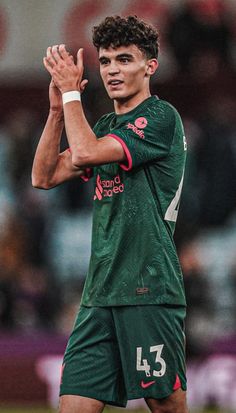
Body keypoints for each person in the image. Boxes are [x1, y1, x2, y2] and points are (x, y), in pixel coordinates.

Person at [32, 15, 188, 413]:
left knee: (165, 403)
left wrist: (71, 95)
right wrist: (55, 111)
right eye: (104, 62)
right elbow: (44, 176)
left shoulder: (160, 118)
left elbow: (83, 153)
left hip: (147, 288)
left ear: (150, 65)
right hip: (99, 294)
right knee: (73, 407)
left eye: (124, 59)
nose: (112, 70)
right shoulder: (103, 125)